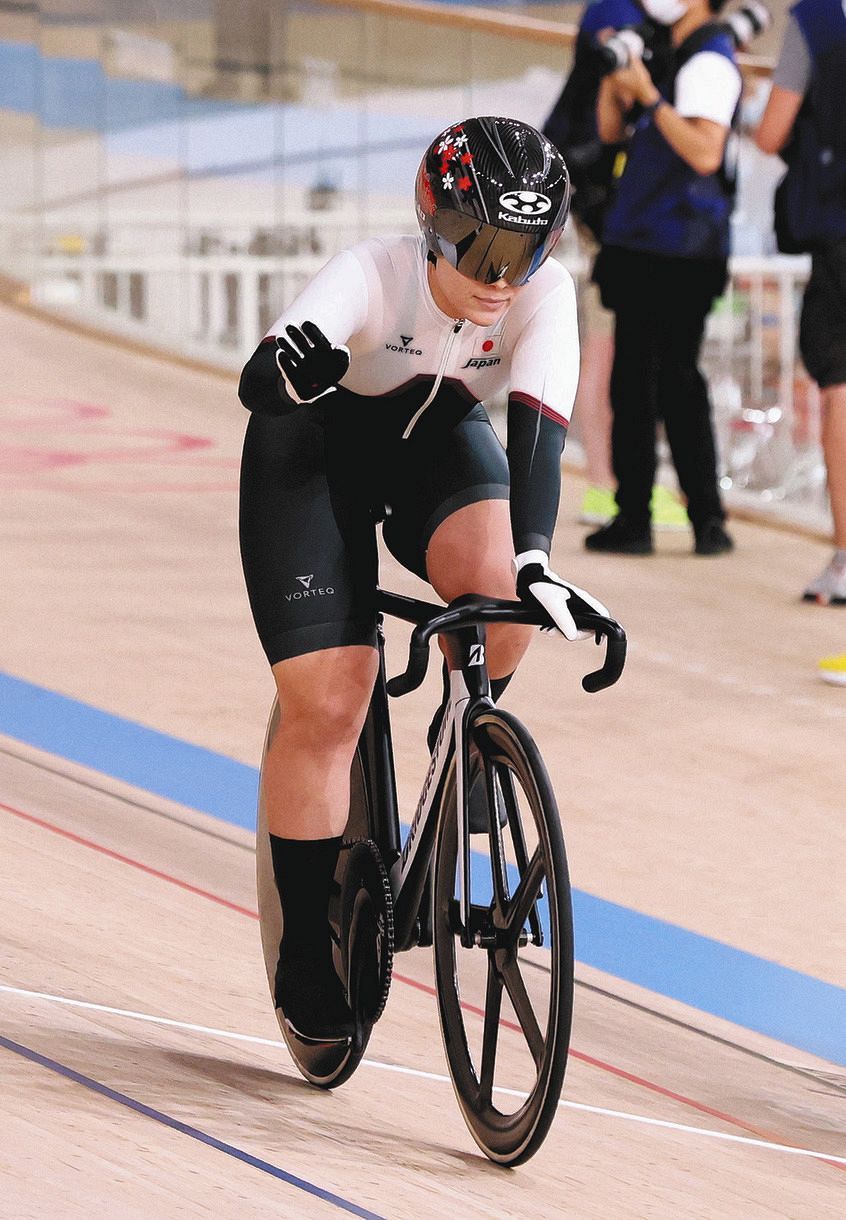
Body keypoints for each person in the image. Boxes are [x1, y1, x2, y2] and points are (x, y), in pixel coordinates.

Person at [237, 116, 611, 1043]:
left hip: (433, 450)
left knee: (508, 603)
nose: (499, 279)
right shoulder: (372, 274)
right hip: (313, 457)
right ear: (434, 226)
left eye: (523, 254)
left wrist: (537, 565)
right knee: (334, 701)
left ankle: (465, 736)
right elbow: (260, 378)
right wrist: (292, 370)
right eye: (481, 249)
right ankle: (298, 954)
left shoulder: (543, 295)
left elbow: (539, 434)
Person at [585, 0, 742, 556]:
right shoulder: (665, 50)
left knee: (667, 382)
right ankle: (673, 519)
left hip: (677, 249)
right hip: (651, 244)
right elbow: (610, 132)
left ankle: (691, 519)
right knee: (643, 383)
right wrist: (617, 81)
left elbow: (704, 152)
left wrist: (650, 95)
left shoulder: (708, 60)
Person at [544, 0, 690, 532]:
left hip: (606, 197)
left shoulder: (619, 10)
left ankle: (617, 482)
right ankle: (608, 484)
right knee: (608, 346)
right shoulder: (624, 14)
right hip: (606, 204)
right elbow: (615, 92)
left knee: (614, 346)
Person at [754, 0, 846, 605]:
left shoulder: (816, 20)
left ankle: (845, 557)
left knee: (840, 383)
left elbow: (771, 131)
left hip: (839, 228)